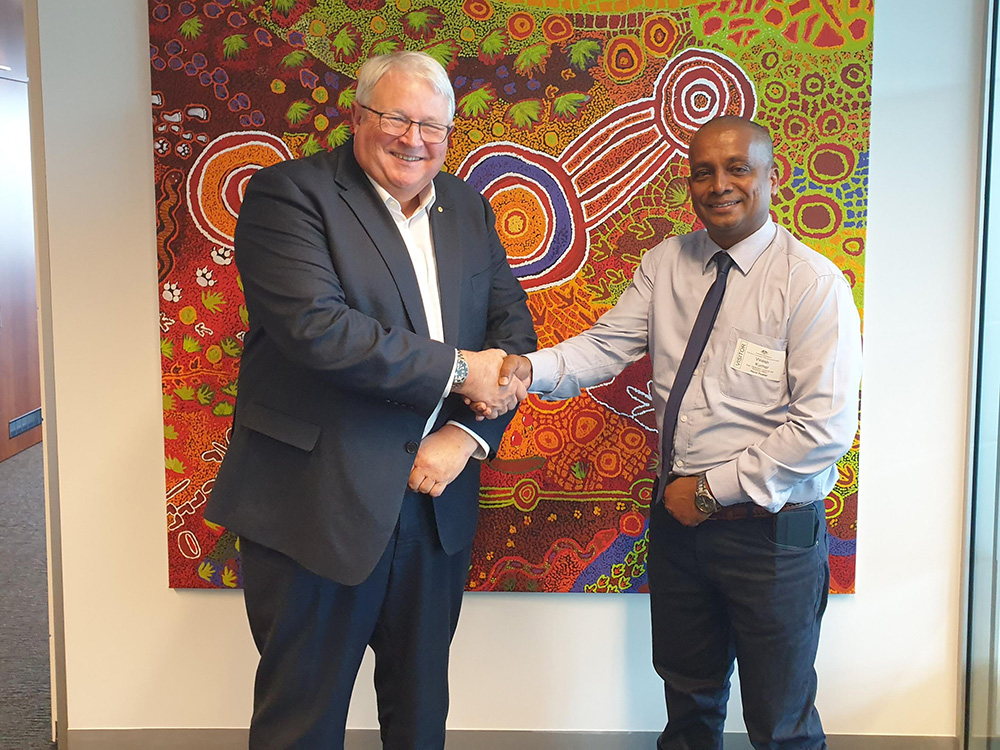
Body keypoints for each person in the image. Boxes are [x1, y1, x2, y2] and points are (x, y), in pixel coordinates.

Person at [489, 116, 862, 749]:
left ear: (775, 176)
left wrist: (712, 490)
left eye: (737, 168)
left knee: (782, 724)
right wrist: (526, 369)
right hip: (681, 531)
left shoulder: (812, 284)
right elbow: (606, 346)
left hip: (769, 538)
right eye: (704, 171)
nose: (720, 185)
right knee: (688, 710)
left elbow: (823, 429)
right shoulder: (666, 263)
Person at [206, 50, 536, 749]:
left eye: (433, 126)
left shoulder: (468, 209)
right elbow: (318, 331)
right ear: (358, 117)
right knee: (303, 719)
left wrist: (466, 440)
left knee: (419, 718)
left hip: (434, 502)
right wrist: (456, 372)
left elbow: (512, 336)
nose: (414, 139)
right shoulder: (288, 195)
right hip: (315, 503)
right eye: (396, 118)